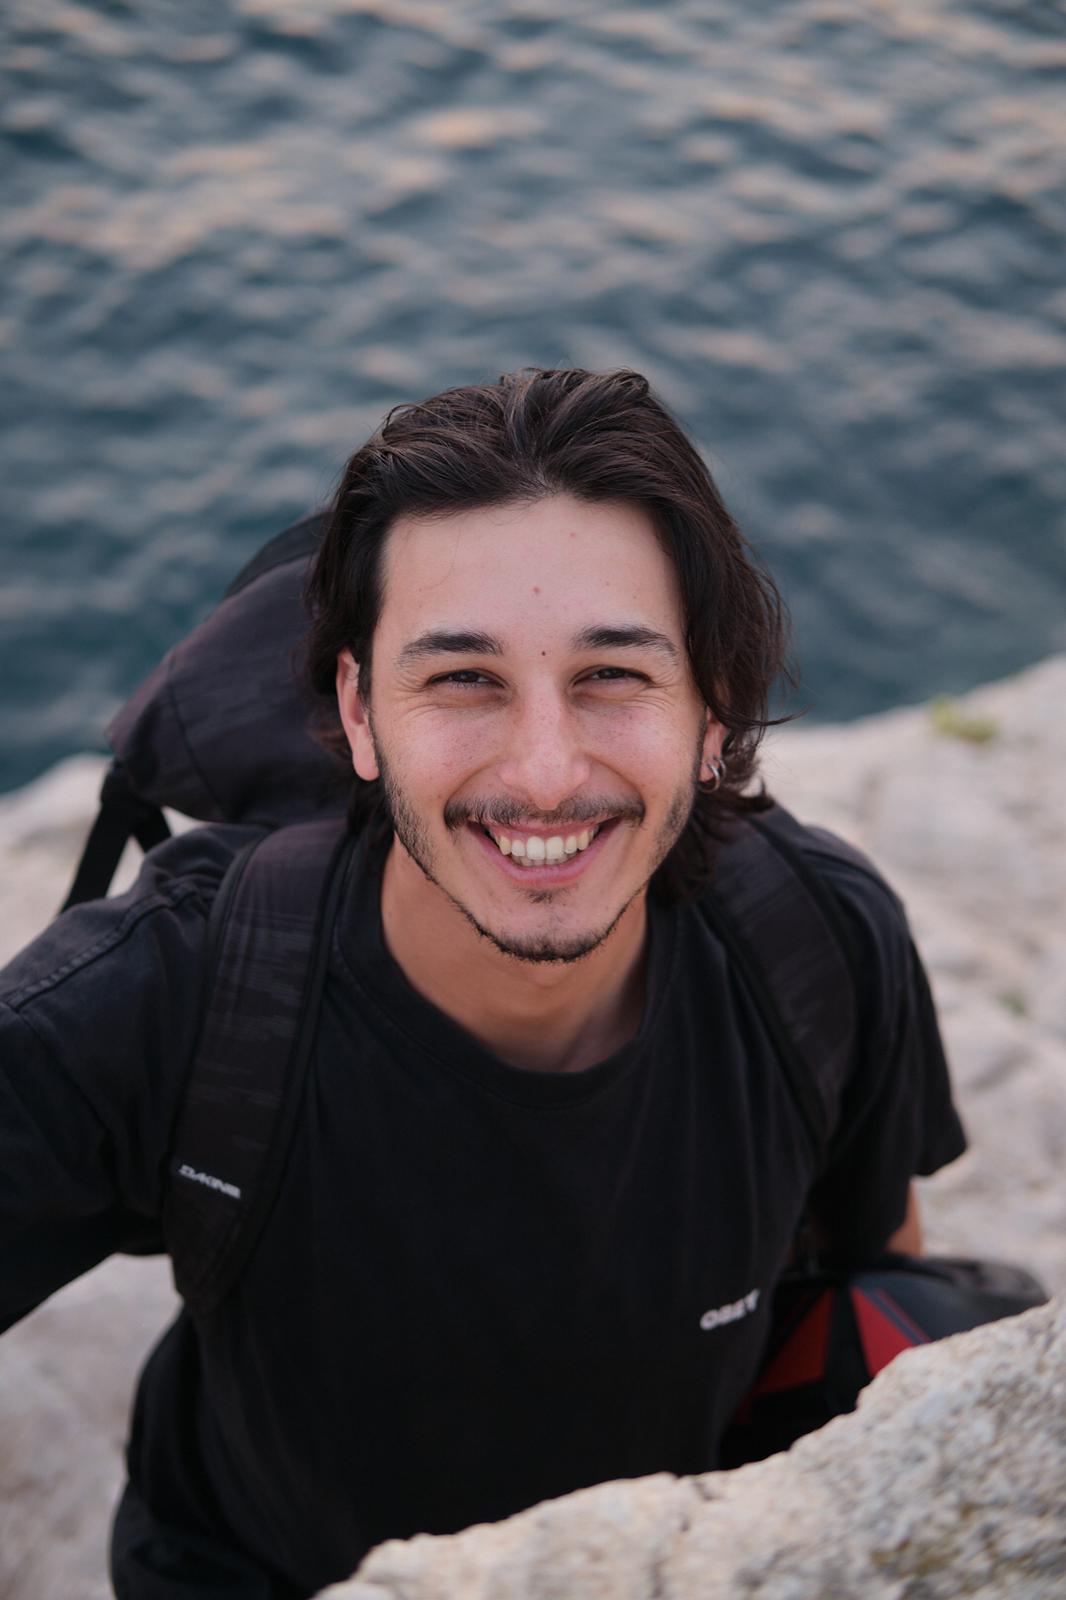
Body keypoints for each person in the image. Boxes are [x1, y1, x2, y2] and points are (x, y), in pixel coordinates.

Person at [0, 369, 965, 1598]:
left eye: (613, 675)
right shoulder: (177, 995)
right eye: (463, 679)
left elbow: (877, 1289)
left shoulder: (815, 944)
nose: (545, 773)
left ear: (714, 712)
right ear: (359, 712)